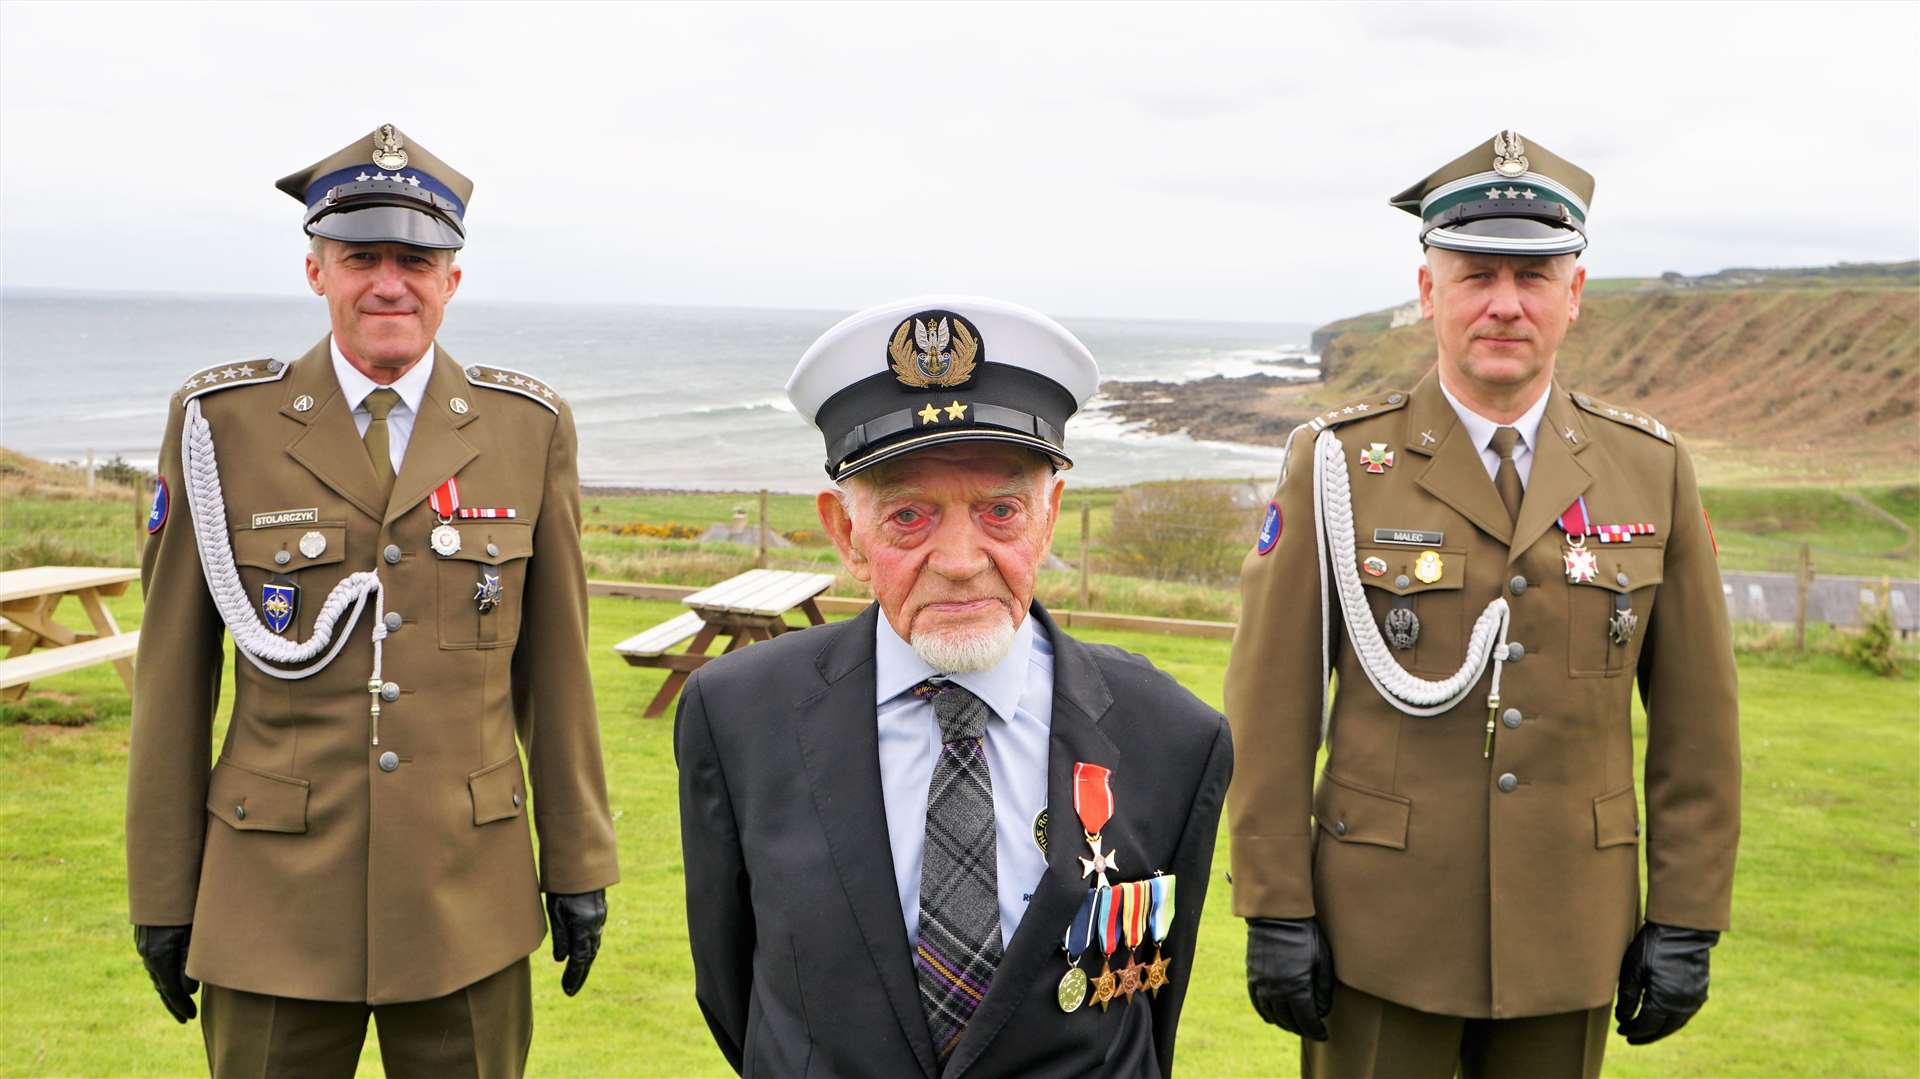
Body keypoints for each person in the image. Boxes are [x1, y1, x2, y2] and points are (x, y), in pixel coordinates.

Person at [1225, 131, 1740, 1078]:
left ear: (1574, 295)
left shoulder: (1649, 468)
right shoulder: (1337, 464)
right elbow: (1270, 707)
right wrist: (1275, 902)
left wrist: (1687, 914)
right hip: (1380, 927)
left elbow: (1697, 722)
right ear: (1428, 292)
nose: (1506, 303)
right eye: (1476, 274)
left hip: (1570, 929)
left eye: (1536, 275)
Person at [126, 123, 618, 1077]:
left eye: (416, 259)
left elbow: (555, 673)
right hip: (271, 894)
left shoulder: (529, 428)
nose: (389, 282)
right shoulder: (219, 424)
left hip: (463, 897)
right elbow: (171, 680)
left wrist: (580, 863)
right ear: (316, 271)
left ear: (452, 281)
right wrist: (161, 888)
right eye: (362, 258)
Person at [676, 296, 1233, 1077]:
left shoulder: (1173, 735)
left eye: (1000, 510)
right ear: (846, 533)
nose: (961, 557)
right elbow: (733, 991)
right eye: (909, 516)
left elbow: (1145, 1014)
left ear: (1049, 515)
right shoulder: (736, 716)